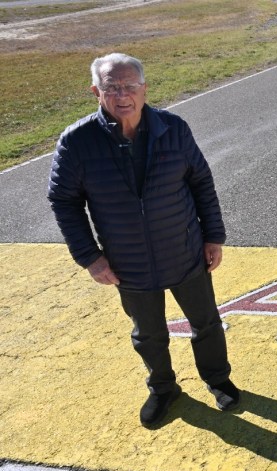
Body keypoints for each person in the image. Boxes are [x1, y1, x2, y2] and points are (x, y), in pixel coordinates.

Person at [48, 53, 240, 428]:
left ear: (144, 89)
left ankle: (217, 379)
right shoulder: (77, 142)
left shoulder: (173, 128)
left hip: (184, 250)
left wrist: (213, 236)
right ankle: (163, 388)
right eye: (112, 87)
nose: (123, 95)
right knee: (148, 334)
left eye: (130, 86)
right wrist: (90, 257)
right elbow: (63, 201)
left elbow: (201, 181)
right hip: (127, 262)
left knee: (207, 323)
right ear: (96, 91)